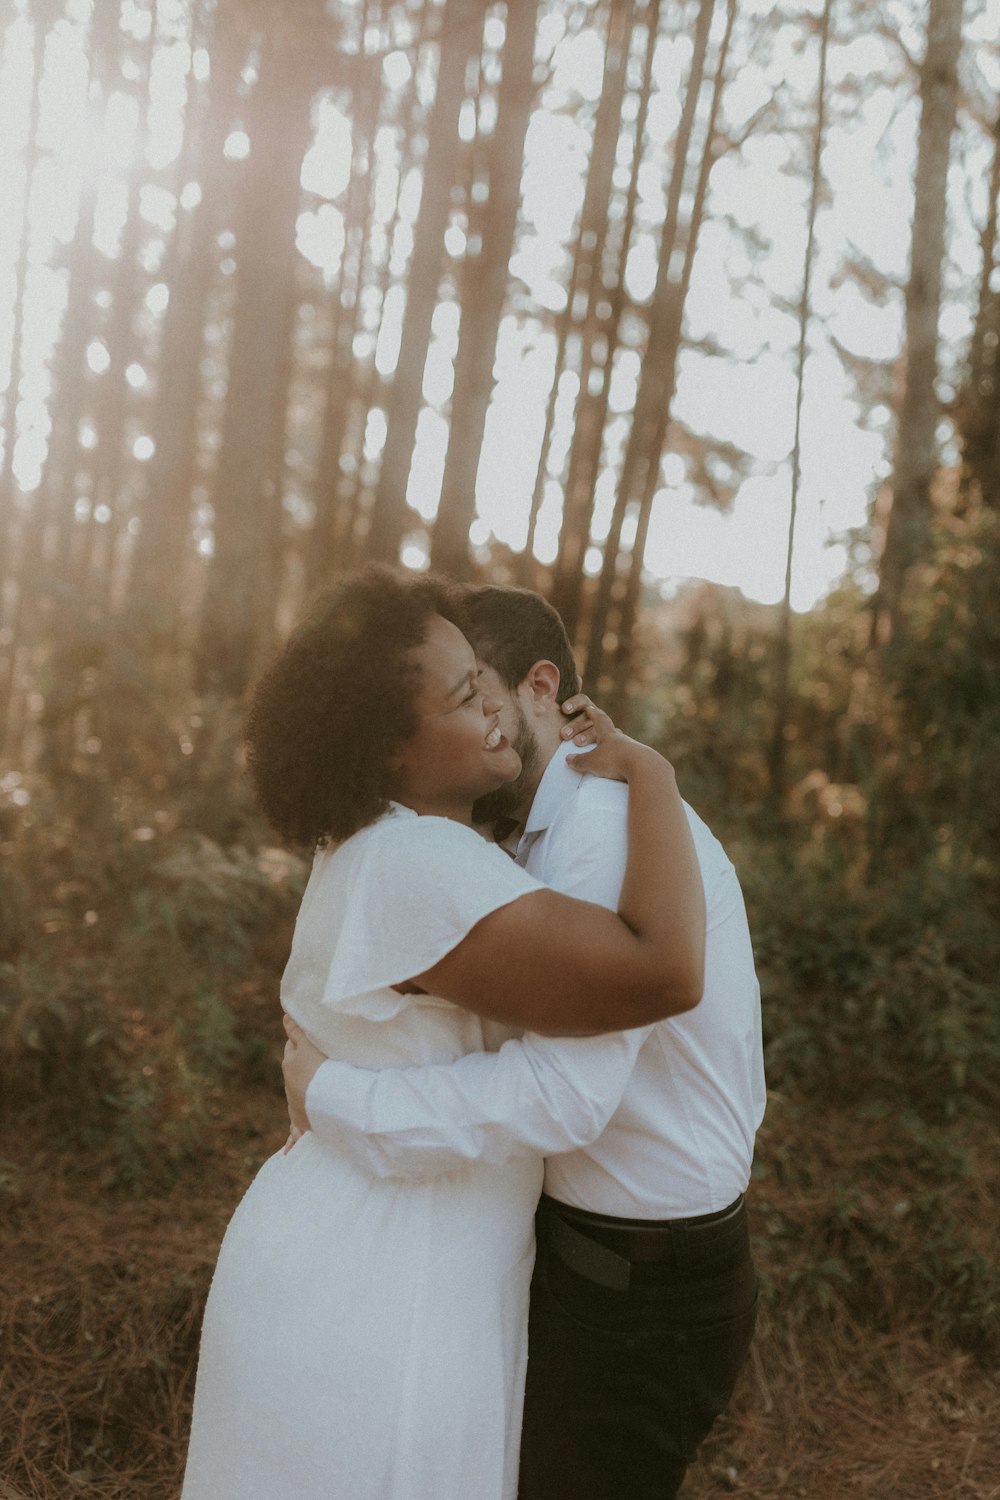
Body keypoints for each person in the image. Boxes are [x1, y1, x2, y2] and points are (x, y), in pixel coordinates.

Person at [181, 565, 706, 1500]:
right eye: (467, 697)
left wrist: (337, 1096)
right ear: (388, 750)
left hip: (382, 1264)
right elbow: (661, 971)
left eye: (487, 682)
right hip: (379, 1293)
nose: (495, 710)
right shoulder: (415, 861)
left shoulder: (387, 845)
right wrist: (655, 777)